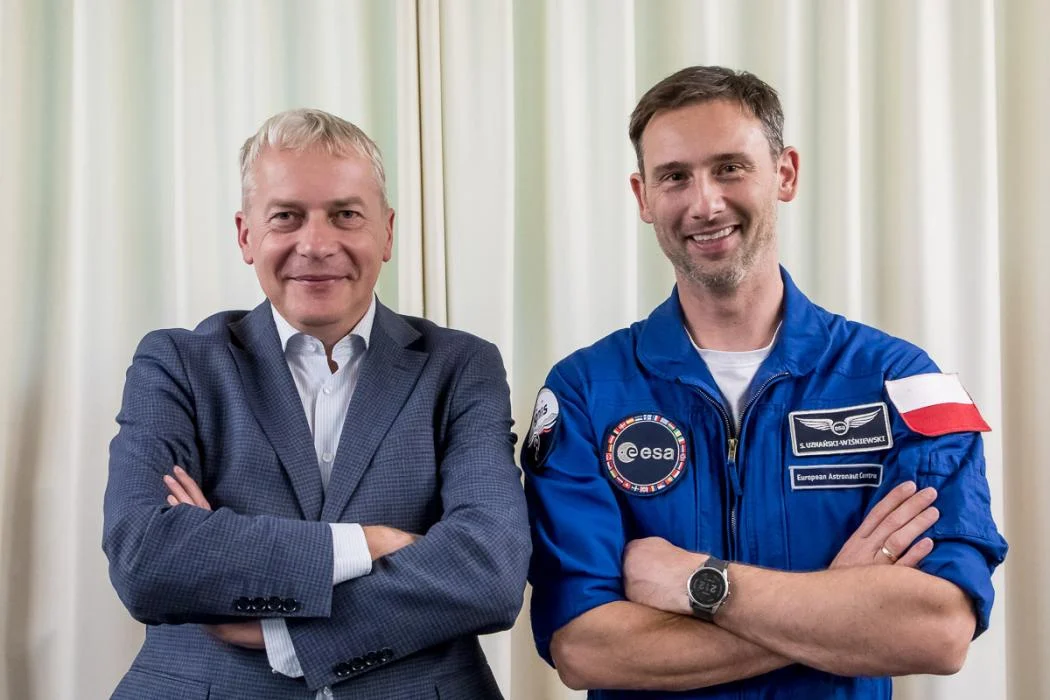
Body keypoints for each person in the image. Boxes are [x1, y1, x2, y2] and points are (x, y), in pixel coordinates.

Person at [522, 66, 1008, 698]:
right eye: (675, 176)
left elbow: (938, 631)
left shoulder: (905, 383)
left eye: (729, 168)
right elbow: (585, 648)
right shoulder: (585, 392)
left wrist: (701, 583)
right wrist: (841, 605)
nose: (704, 203)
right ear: (643, 196)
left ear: (785, 174)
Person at [103, 109, 530, 699]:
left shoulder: (461, 367)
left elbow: (490, 570)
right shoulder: (177, 364)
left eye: (346, 215)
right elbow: (145, 557)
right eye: (286, 216)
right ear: (245, 235)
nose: (317, 244)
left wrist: (285, 633)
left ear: (387, 232)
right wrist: (365, 544)